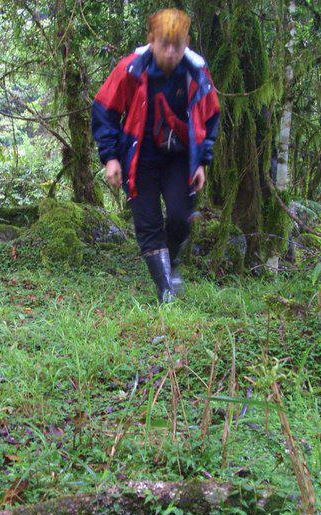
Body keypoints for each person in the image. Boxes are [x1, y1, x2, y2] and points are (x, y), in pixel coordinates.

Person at [91, 8, 220, 303]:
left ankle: (172, 264)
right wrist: (111, 157)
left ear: (186, 43)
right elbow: (104, 109)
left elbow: (211, 115)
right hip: (139, 158)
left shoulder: (196, 73)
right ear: (151, 40)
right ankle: (165, 292)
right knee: (148, 222)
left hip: (179, 159)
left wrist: (202, 161)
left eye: (178, 45)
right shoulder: (131, 69)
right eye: (165, 44)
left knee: (179, 218)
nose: (171, 52)